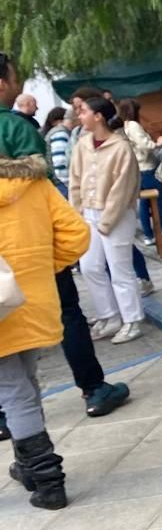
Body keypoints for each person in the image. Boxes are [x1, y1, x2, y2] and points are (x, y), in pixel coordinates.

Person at [0, 64, 129, 426]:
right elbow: (53, 201)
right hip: (31, 252)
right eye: (13, 78)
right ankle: (92, 388)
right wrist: (52, 259)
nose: (16, 84)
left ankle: (9, 421)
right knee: (68, 314)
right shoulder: (16, 128)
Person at [0, 139, 91, 509]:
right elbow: (76, 235)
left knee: (12, 389)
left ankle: (49, 479)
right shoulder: (35, 183)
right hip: (34, 299)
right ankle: (27, 465)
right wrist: (40, 268)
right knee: (26, 380)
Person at [69, 97, 145, 344]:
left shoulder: (120, 147)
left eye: (84, 112)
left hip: (117, 215)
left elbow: (123, 188)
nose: (80, 116)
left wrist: (107, 220)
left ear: (98, 116)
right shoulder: (82, 144)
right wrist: (77, 212)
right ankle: (109, 315)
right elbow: (75, 181)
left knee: (120, 268)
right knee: (90, 267)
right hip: (88, 213)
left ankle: (132, 320)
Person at [118, 97, 162, 250]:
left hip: (139, 168)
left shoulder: (125, 126)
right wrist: (158, 143)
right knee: (157, 202)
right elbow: (145, 145)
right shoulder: (133, 125)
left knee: (145, 203)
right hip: (147, 167)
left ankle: (148, 235)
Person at [43, 107, 71, 191]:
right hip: (61, 183)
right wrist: (67, 183)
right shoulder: (60, 133)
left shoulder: (53, 132)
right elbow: (60, 161)